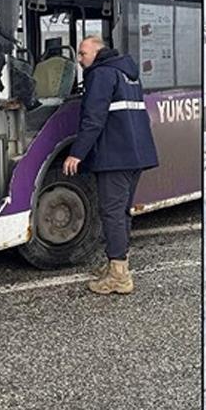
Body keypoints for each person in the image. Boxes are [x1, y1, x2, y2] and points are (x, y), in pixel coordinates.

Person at [64, 35, 159, 295]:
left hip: (115, 156)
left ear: (98, 52)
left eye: (83, 54)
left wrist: (77, 153)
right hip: (136, 155)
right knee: (121, 211)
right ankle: (118, 266)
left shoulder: (101, 74)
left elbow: (93, 119)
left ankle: (119, 276)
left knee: (112, 213)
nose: (80, 60)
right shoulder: (128, 73)